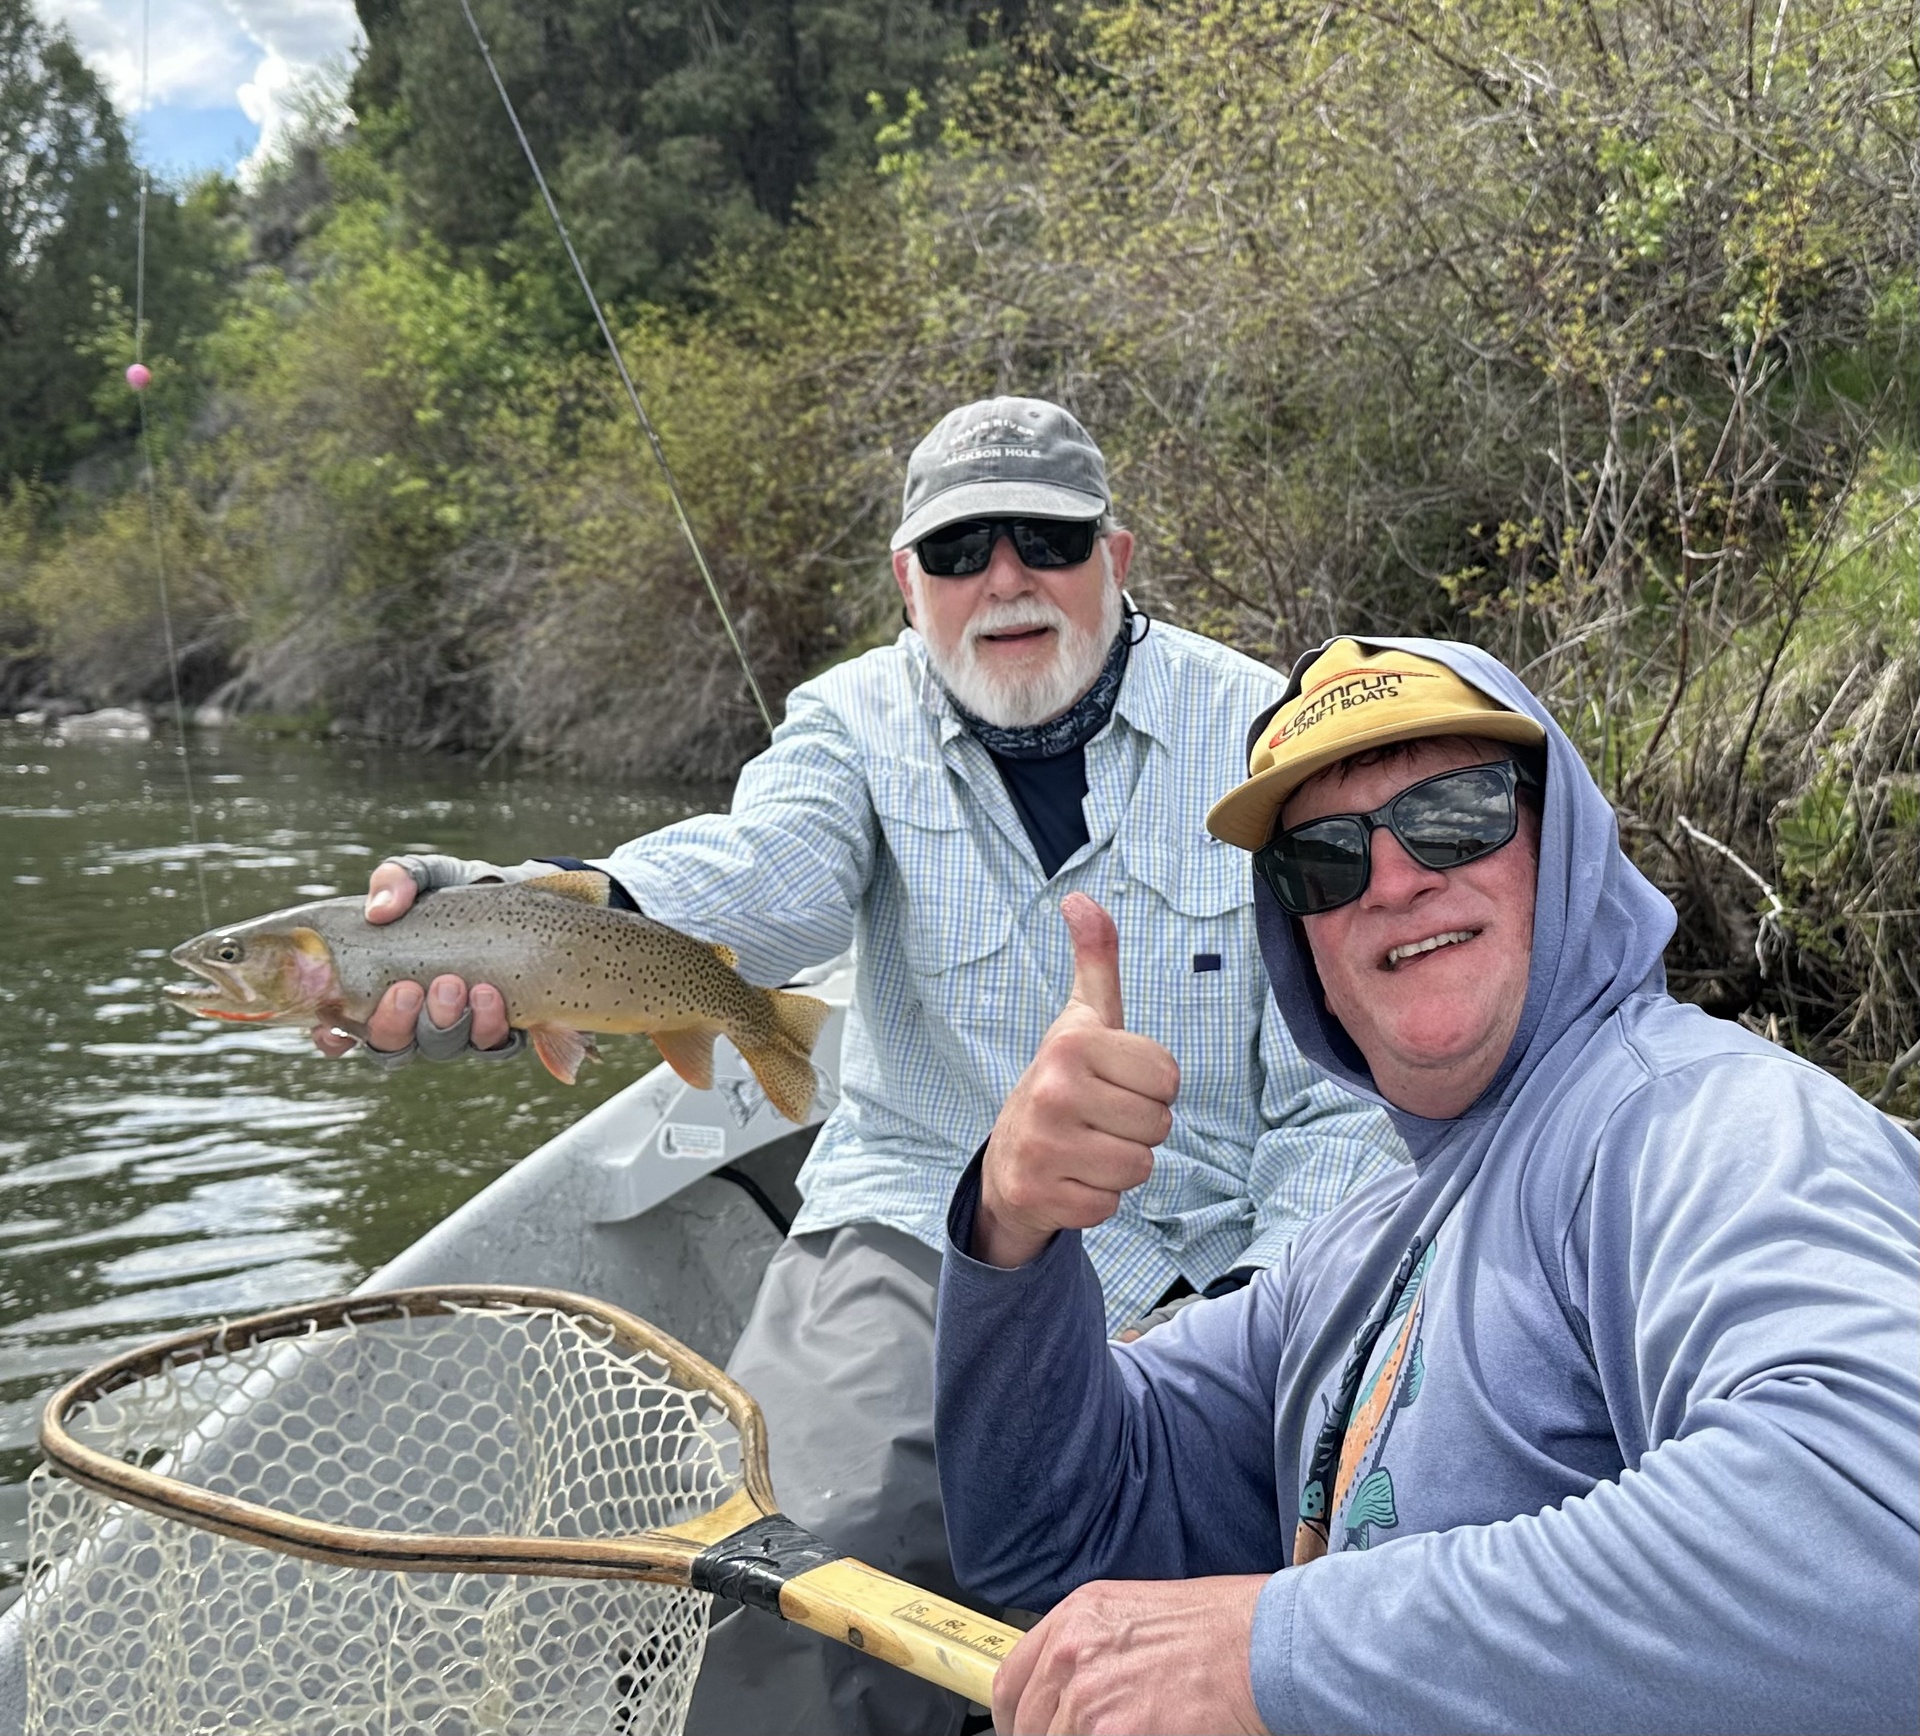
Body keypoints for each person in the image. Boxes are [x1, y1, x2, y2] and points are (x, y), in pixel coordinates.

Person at [314, 403, 1404, 1735]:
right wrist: (547, 910)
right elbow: (759, 872)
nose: (1004, 579)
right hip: (913, 1227)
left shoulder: (1267, 733)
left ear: (1118, 554)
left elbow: (1333, 1095)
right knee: (790, 1563)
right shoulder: (847, 724)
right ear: (909, 583)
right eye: (958, 552)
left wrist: (1264, 1311)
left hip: (1217, 1257)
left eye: (1046, 540)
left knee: (1271, 1595)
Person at [934, 635, 1920, 1735]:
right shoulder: (1353, 1251)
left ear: (1559, 842)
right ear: (1297, 933)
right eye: (1326, 859)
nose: (1396, 879)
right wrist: (1013, 1228)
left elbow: (1879, 1541)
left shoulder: (1701, 1121)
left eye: (1456, 812)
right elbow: (1045, 1528)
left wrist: (1278, 1650)